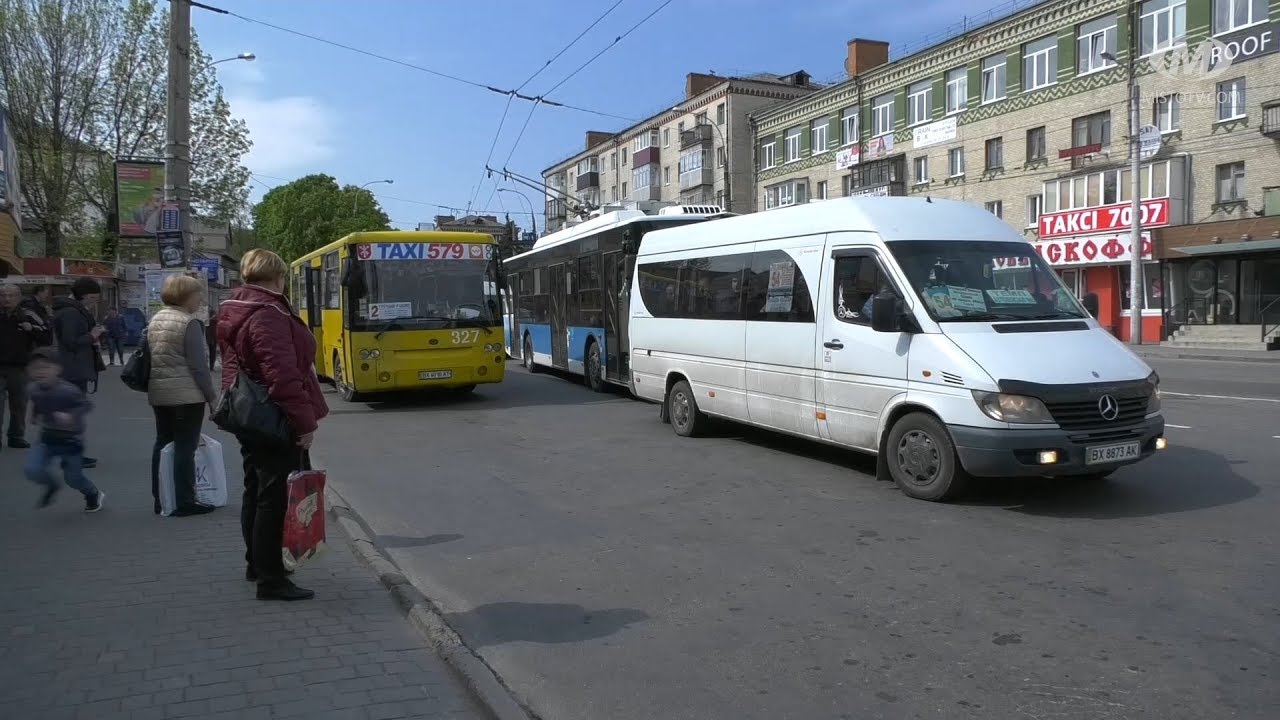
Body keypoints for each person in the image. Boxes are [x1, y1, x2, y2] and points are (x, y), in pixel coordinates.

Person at [218, 249, 328, 601]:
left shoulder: (235, 306)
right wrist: (304, 423)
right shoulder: (268, 313)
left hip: (249, 412)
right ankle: (271, 578)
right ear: (276, 276)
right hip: (274, 416)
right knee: (274, 498)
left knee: (257, 489)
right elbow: (282, 377)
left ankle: (257, 563)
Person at [147, 274, 219, 517]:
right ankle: (185, 501)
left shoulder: (156, 319)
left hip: (159, 394)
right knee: (184, 448)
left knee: (162, 443)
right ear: (186, 296)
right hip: (186, 396)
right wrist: (212, 397)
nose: (200, 299)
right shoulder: (189, 323)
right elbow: (198, 366)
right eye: (198, 294)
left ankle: (161, 498)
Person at [24, 349, 105, 512]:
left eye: (45, 367)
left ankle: (93, 494)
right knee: (32, 469)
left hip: (70, 441)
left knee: (73, 479)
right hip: (47, 439)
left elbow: (86, 405)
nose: (40, 372)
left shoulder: (68, 391)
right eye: (35, 368)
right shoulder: (33, 389)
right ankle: (52, 486)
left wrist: (70, 416)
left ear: (58, 369)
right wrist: (34, 415)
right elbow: (38, 402)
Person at [52, 278, 104, 469]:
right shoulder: (71, 313)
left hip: (72, 367)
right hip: (73, 369)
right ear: (83, 295)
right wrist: (92, 335)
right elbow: (70, 341)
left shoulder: (70, 310)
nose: (94, 301)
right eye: (92, 297)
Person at [0, 283, 40, 450]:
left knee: (19, 404)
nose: (7, 299)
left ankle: (16, 436)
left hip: (20, 367)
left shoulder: (28, 315)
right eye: (3, 295)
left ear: (19, 297)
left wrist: (31, 329)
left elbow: (46, 336)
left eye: (11, 295)